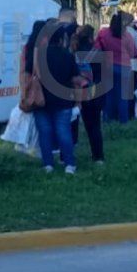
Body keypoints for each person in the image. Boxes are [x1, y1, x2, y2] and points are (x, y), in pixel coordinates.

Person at [29, 19, 85, 174]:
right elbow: (75, 79)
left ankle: (48, 164)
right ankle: (69, 164)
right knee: (63, 132)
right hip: (63, 100)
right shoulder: (67, 56)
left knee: (45, 133)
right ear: (62, 39)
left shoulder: (40, 55)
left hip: (42, 100)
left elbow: (35, 74)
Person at [95, 11, 137, 123]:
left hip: (108, 66)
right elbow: (133, 54)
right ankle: (123, 121)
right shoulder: (127, 36)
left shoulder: (103, 33)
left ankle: (108, 120)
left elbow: (97, 48)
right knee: (123, 97)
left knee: (109, 96)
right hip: (124, 68)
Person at [71, 24, 106, 164]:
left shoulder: (74, 53)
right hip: (96, 93)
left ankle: (67, 157)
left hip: (80, 93)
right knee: (95, 127)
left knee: (76, 125)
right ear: (91, 38)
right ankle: (98, 156)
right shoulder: (97, 53)